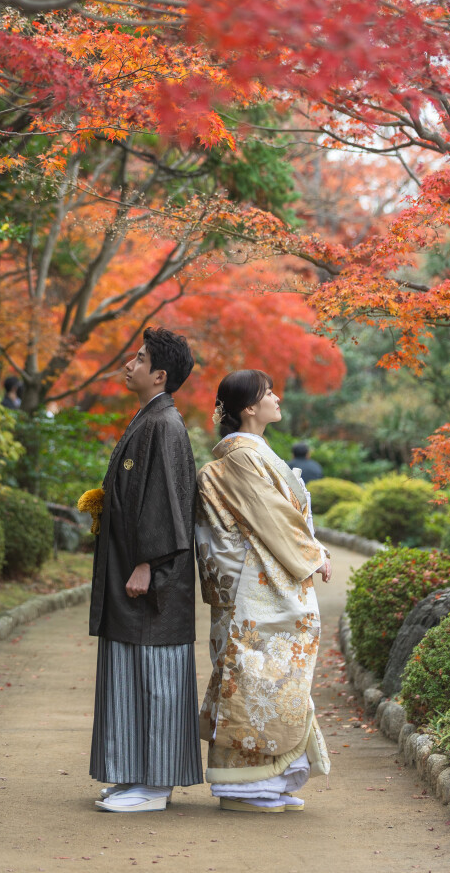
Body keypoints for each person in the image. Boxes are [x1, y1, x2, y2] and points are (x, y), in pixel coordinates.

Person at [195, 369, 332, 813]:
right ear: (249, 408)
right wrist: (312, 553)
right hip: (250, 587)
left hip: (259, 581)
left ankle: (268, 784)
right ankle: (242, 789)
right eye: (268, 392)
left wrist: (311, 548)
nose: (277, 398)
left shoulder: (251, 453)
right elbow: (270, 515)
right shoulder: (239, 457)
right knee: (251, 677)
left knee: (272, 679)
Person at [88, 327, 202, 813]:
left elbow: (168, 504)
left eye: (138, 359)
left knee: (155, 674)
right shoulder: (150, 418)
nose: (128, 364)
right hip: (131, 571)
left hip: (150, 577)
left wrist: (145, 564)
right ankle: (134, 774)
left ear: (159, 375)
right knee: (130, 671)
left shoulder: (165, 425)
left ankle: (156, 785)